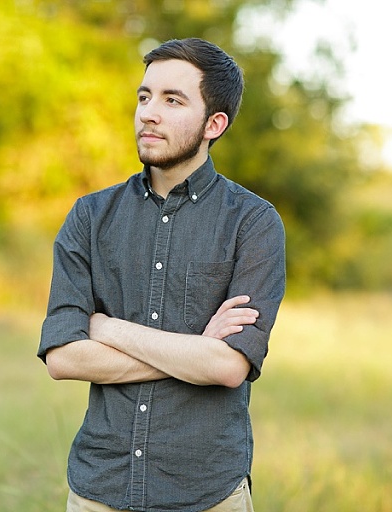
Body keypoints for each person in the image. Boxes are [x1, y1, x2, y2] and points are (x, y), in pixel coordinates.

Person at [38, 38, 286, 512]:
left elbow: (229, 367)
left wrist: (106, 328)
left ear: (215, 124)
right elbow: (63, 358)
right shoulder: (90, 216)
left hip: (208, 493)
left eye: (173, 100)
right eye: (145, 96)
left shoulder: (252, 222)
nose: (149, 113)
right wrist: (196, 350)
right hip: (99, 488)